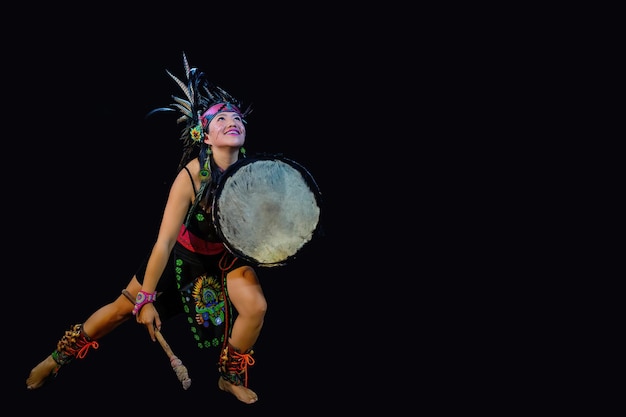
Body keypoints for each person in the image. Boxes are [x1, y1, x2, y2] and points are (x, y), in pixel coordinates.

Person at [26, 53, 268, 404]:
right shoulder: (189, 176)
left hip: (227, 258)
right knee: (120, 310)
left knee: (256, 307)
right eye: (221, 119)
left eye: (236, 118)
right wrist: (146, 298)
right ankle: (56, 358)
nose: (231, 121)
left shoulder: (255, 172)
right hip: (183, 254)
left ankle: (228, 377)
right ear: (205, 134)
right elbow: (164, 241)